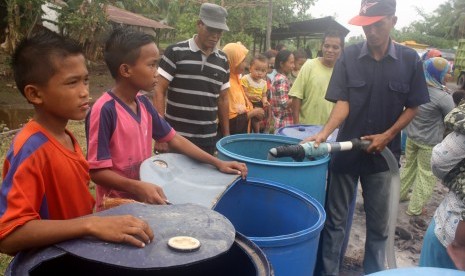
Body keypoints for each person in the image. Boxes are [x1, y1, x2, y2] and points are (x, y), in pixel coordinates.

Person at [0, 30, 155, 256]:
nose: (85, 92)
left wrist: (102, 215)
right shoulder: (31, 149)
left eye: (85, 80)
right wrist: (90, 224)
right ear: (35, 94)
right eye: (72, 83)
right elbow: (9, 235)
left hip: (75, 254)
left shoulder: (66, 138)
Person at [306, 0, 430, 274]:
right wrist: (324, 134)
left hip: (382, 160)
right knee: (335, 223)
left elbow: (413, 107)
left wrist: (387, 135)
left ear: (393, 21)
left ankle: (373, 272)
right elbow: (343, 102)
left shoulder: (410, 61)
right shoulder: (349, 56)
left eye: (378, 24)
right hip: (346, 153)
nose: (371, 32)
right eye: (366, 26)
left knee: (379, 226)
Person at [86, 28, 247, 211]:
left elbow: (174, 139)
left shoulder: (143, 104)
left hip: (144, 201)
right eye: (151, 65)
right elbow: (97, 171)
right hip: (115, 207)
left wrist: (218, 163)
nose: (157, 72)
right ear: (126, 70)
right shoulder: (105, 110)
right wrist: (137, 186)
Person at [153, 3, 231, 155]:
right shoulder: (176, 52)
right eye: (211, 29)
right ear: (199, 24)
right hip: (175, 137)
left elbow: (223, 99)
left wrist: (226, 136)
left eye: (219, 31)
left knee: (202, 178)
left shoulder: (223, 60)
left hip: (207, 139)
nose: (215, 35)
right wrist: (161, 134)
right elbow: (159, 90)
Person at [400, 57, 455, 216]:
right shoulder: (443, 96)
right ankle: (415, 208)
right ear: (439, 73)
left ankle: (400, 195)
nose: (449, 76)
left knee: (409, 167)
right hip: (429, 143)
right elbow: (451, 118)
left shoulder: (417, 88)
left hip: (411, 137)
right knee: (427, 175)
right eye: (447, 73)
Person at [419, 103, 465, 270]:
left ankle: (415, 208)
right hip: (423, 142)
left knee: (420, 176)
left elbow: (440, 161)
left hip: (452, 236)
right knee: (421, 178)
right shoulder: (442, 97)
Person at [289, 30, 344, 125]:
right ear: (321, 46)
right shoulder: (309, 65)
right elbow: (297, 96)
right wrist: (296, 125)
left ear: (342, 49)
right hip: (305, 128)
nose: (330, 50)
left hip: (330, 131)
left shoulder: (343, 72)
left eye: (335, 47)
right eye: (327, 46)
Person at [221, 43, 264, 134]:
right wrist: (253, 112)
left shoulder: (236, 79)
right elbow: (230, 121)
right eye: (243, 60)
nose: (246, 64)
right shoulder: (227, 85)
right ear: (233, 61)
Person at [241, 54, 269, 133]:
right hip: (247, 102)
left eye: (263, 71)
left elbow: (264, 95)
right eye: (257, 69)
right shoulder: (246, 79)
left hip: (257, 103)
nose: (260, 73)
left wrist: (265, 101)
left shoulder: (264, 83)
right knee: (248, 119)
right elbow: (244, 92)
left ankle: (257, 132)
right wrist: (251, 96)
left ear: (266, 72)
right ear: (250, 68)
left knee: (256, 119)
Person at [269, 49, 295, 131]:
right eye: (291, 62)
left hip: (280, 122)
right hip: (285, 123)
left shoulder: (278, 77)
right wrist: (299, 97)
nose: (293, 66)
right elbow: (285, 104)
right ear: (282, 64)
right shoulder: (281, 80)